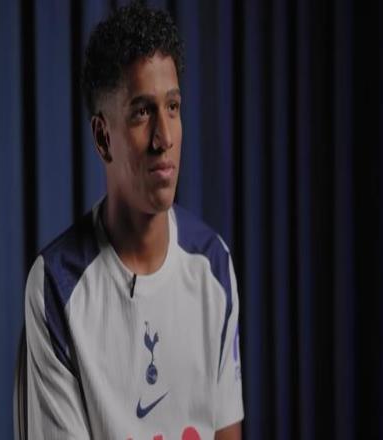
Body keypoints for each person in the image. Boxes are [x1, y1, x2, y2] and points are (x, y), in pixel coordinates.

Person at [20, 3, 243, 439]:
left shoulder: (212, 264)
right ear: (103, 137)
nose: (164, 138)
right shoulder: (56, 286)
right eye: (142, 112)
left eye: (173, 107)